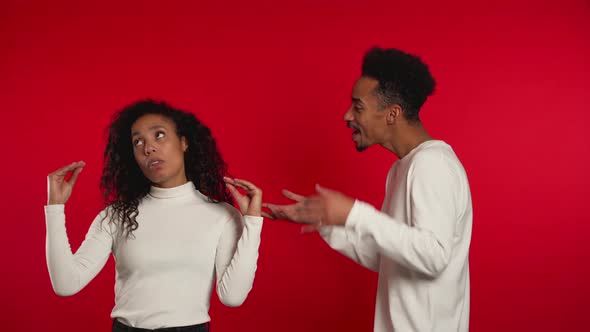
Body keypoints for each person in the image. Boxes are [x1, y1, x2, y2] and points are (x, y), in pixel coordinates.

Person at [264, 47, 472, 332]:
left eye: (358, 107)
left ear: (392, 114)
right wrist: (326, 221)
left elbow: (434, 256)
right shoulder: (402, 168)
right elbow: (387, 258)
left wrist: (354, 213)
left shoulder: (431, 164)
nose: (347, 115)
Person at [45, 99, 265, 331]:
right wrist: (55, 207)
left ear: (184, 142)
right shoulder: (116, 216)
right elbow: (66, 283)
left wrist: (252, 222)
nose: (147, 148)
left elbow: (233, 297)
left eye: (158, 135)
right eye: (138, 141)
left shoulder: (222, 215)